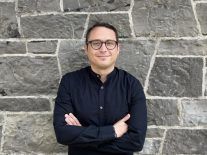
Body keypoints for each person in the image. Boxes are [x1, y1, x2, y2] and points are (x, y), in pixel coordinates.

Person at [53, 22, 147, 155]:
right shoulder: (70, 82)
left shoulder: (132, 85)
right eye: (96, 43)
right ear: (86, 48)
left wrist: (82, 138)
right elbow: (62, 134)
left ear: (118, 48)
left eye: (109, 43)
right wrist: (113, 131)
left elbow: (136, 142)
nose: (103, 49)